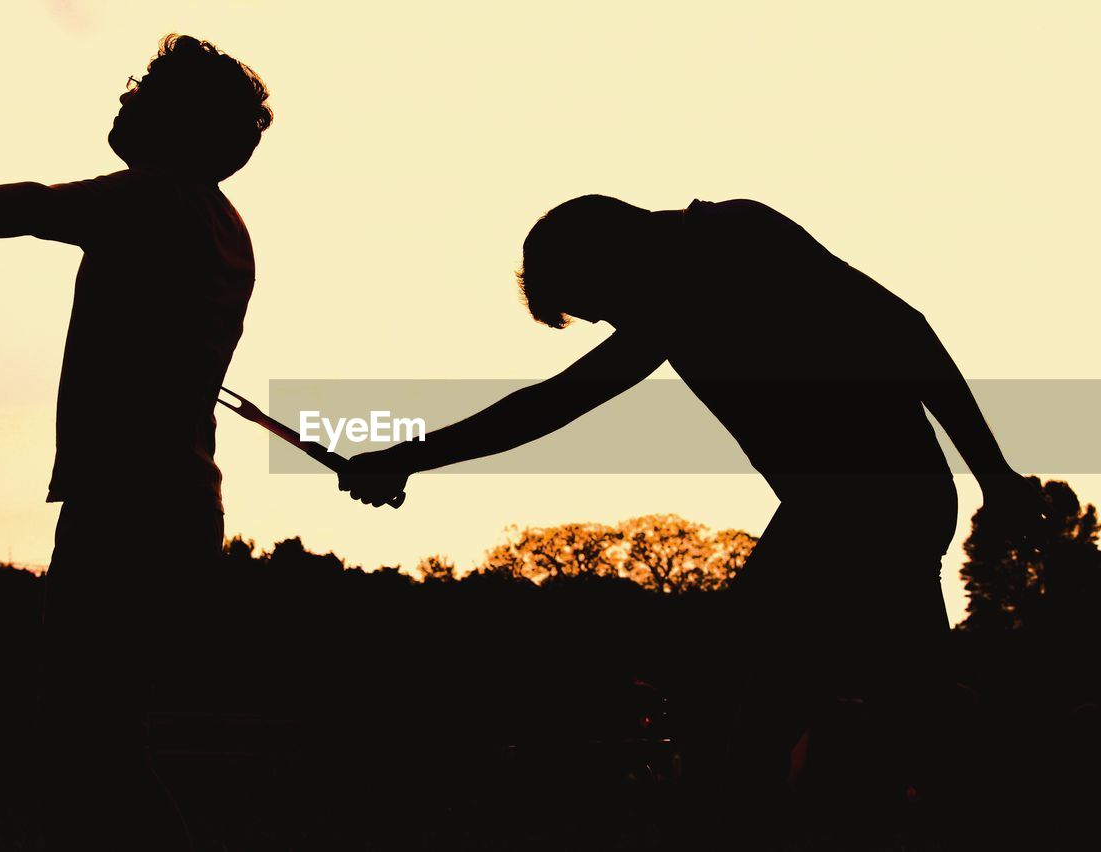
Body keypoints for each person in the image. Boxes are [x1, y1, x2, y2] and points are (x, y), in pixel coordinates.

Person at [339, 195, 1042, 833]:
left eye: (600, 307)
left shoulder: (734, 241)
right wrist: (409, 458)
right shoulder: (680, 287)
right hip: (872, 504)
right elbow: (558, 401)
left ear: (609, 256)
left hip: (858, 506)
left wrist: (996, 473)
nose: (613, 324)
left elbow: (903, 332)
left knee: (744, 710)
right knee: (906, 712)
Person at [0, 34, 272, 850]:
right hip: (174, 501)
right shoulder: (218, 221)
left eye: (142, 92)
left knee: (88, 742)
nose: (124, 100)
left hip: (128, 503)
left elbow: (38, 203)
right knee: (101, 739)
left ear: (177, 123)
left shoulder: (154, 197)